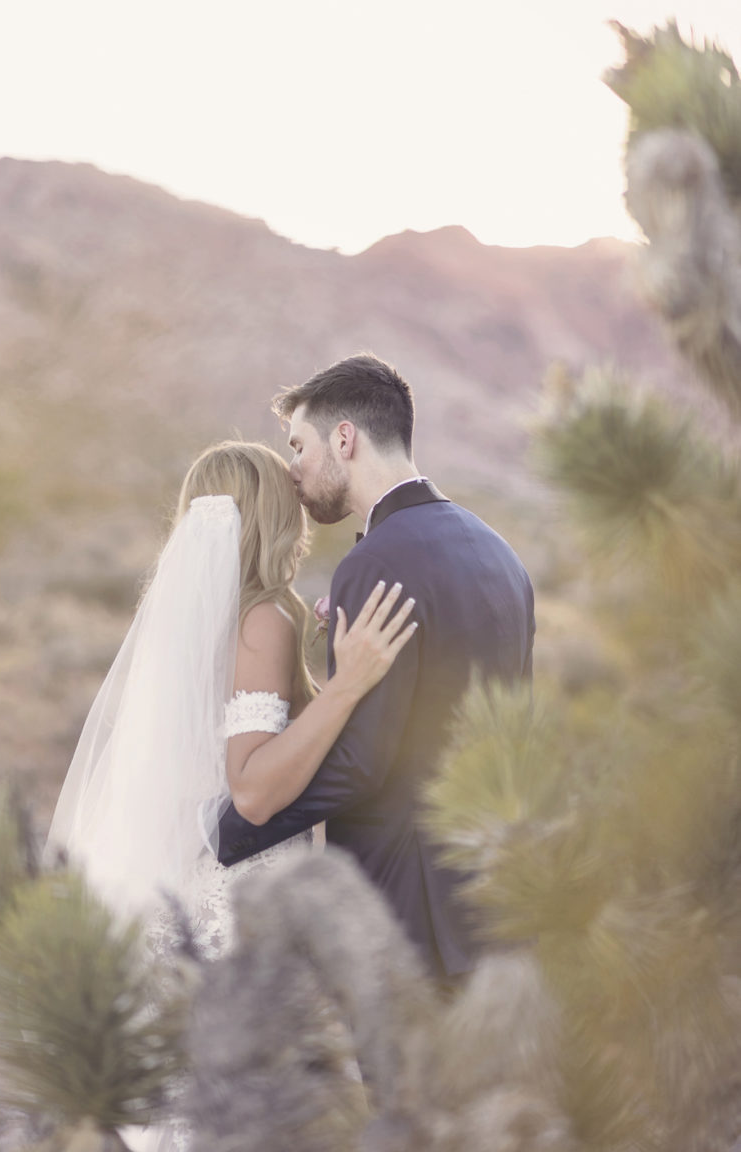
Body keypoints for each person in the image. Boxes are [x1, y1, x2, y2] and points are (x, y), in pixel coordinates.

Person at [216, 355, 535, 983]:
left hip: (402, 899)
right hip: (490, 889)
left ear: (345, 438)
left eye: (300, 446)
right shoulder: (500, 553)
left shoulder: (374, 564)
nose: (295, 473)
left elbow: (364, 760)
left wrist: (233, 830)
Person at [46, 439, 416, 959]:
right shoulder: (263, 619)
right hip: (239, 888)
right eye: (290, 495)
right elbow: (252, 789)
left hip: (181, 870)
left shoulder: (188, 623)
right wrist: (347, 683)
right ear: (273, 513)